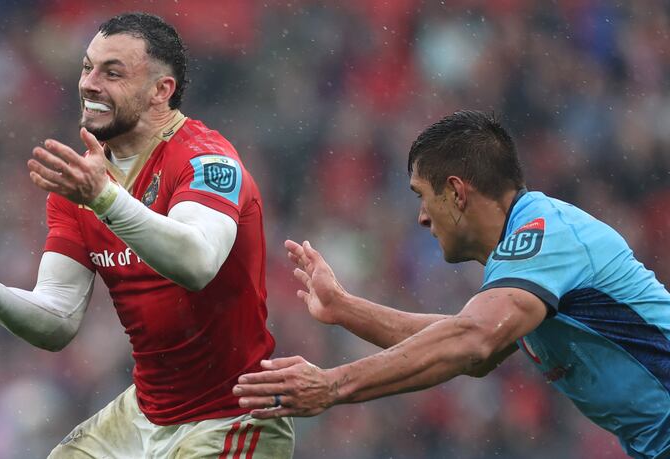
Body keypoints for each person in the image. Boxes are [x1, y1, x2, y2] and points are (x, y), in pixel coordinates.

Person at [0, 12, 294, 459]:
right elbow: (57, 319)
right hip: (145, 414)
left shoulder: (205, 160)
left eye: (112, 73)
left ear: (160, 91)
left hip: (232, 415)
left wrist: (104, 199)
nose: (89, 84)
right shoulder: (78, 184)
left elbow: (198, 262)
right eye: (87, 67)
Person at [233, 110, 670, 459]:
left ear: (457, 192)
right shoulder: (521, 265)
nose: (422, 217)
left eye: (422, 195)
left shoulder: (544, 235)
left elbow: (472, 340)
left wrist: (332, 384)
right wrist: (345, 309)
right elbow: (470, 349)